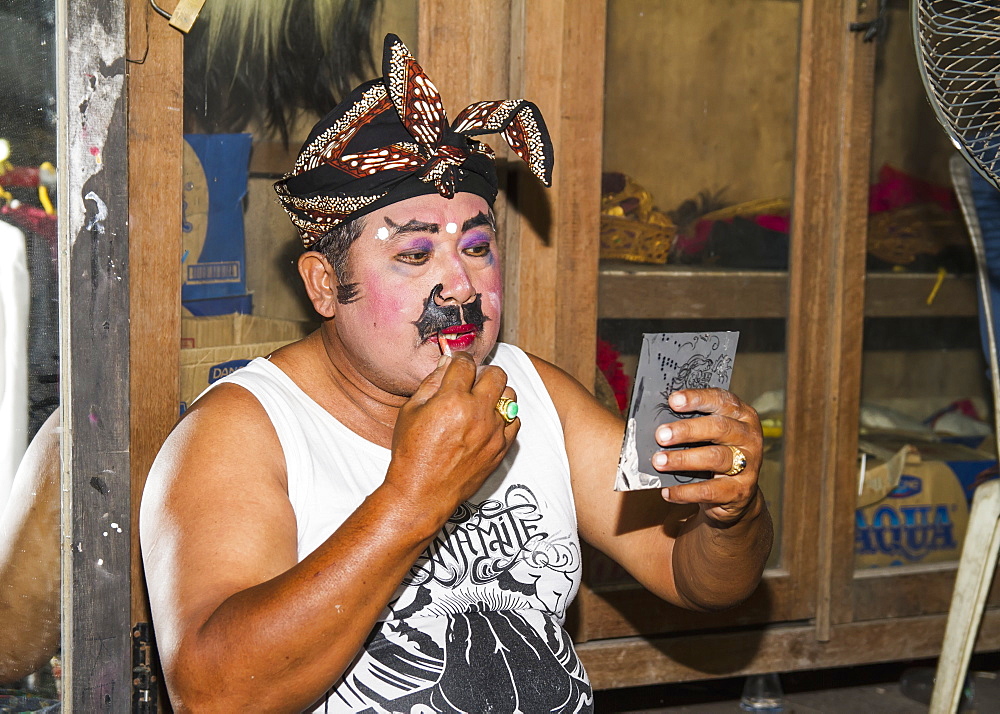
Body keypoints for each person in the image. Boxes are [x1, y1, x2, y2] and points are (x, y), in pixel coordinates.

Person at [140, 34, 772, 713]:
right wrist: (414, 497)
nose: (462, 286)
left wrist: (732, 512)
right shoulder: (242, 430)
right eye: (415, 256)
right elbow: (211, 695)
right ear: (325, 284)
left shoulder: (534, 393)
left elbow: (696, 578)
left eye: (477, 247)